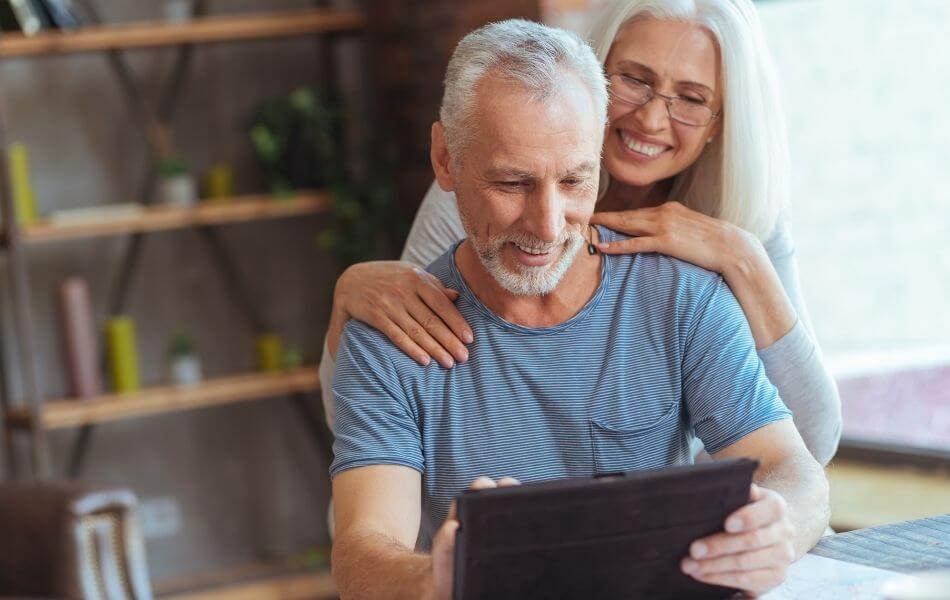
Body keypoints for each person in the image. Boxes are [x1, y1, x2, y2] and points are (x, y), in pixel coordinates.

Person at [330, 19, 829, 600]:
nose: (547, 226)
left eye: (574, 180)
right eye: (513, 183)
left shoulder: (684, 296)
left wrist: (778, 527)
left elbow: (796, 469)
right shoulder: (392, 333)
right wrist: (438, 577)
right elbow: (362, 554)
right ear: (446, 159)